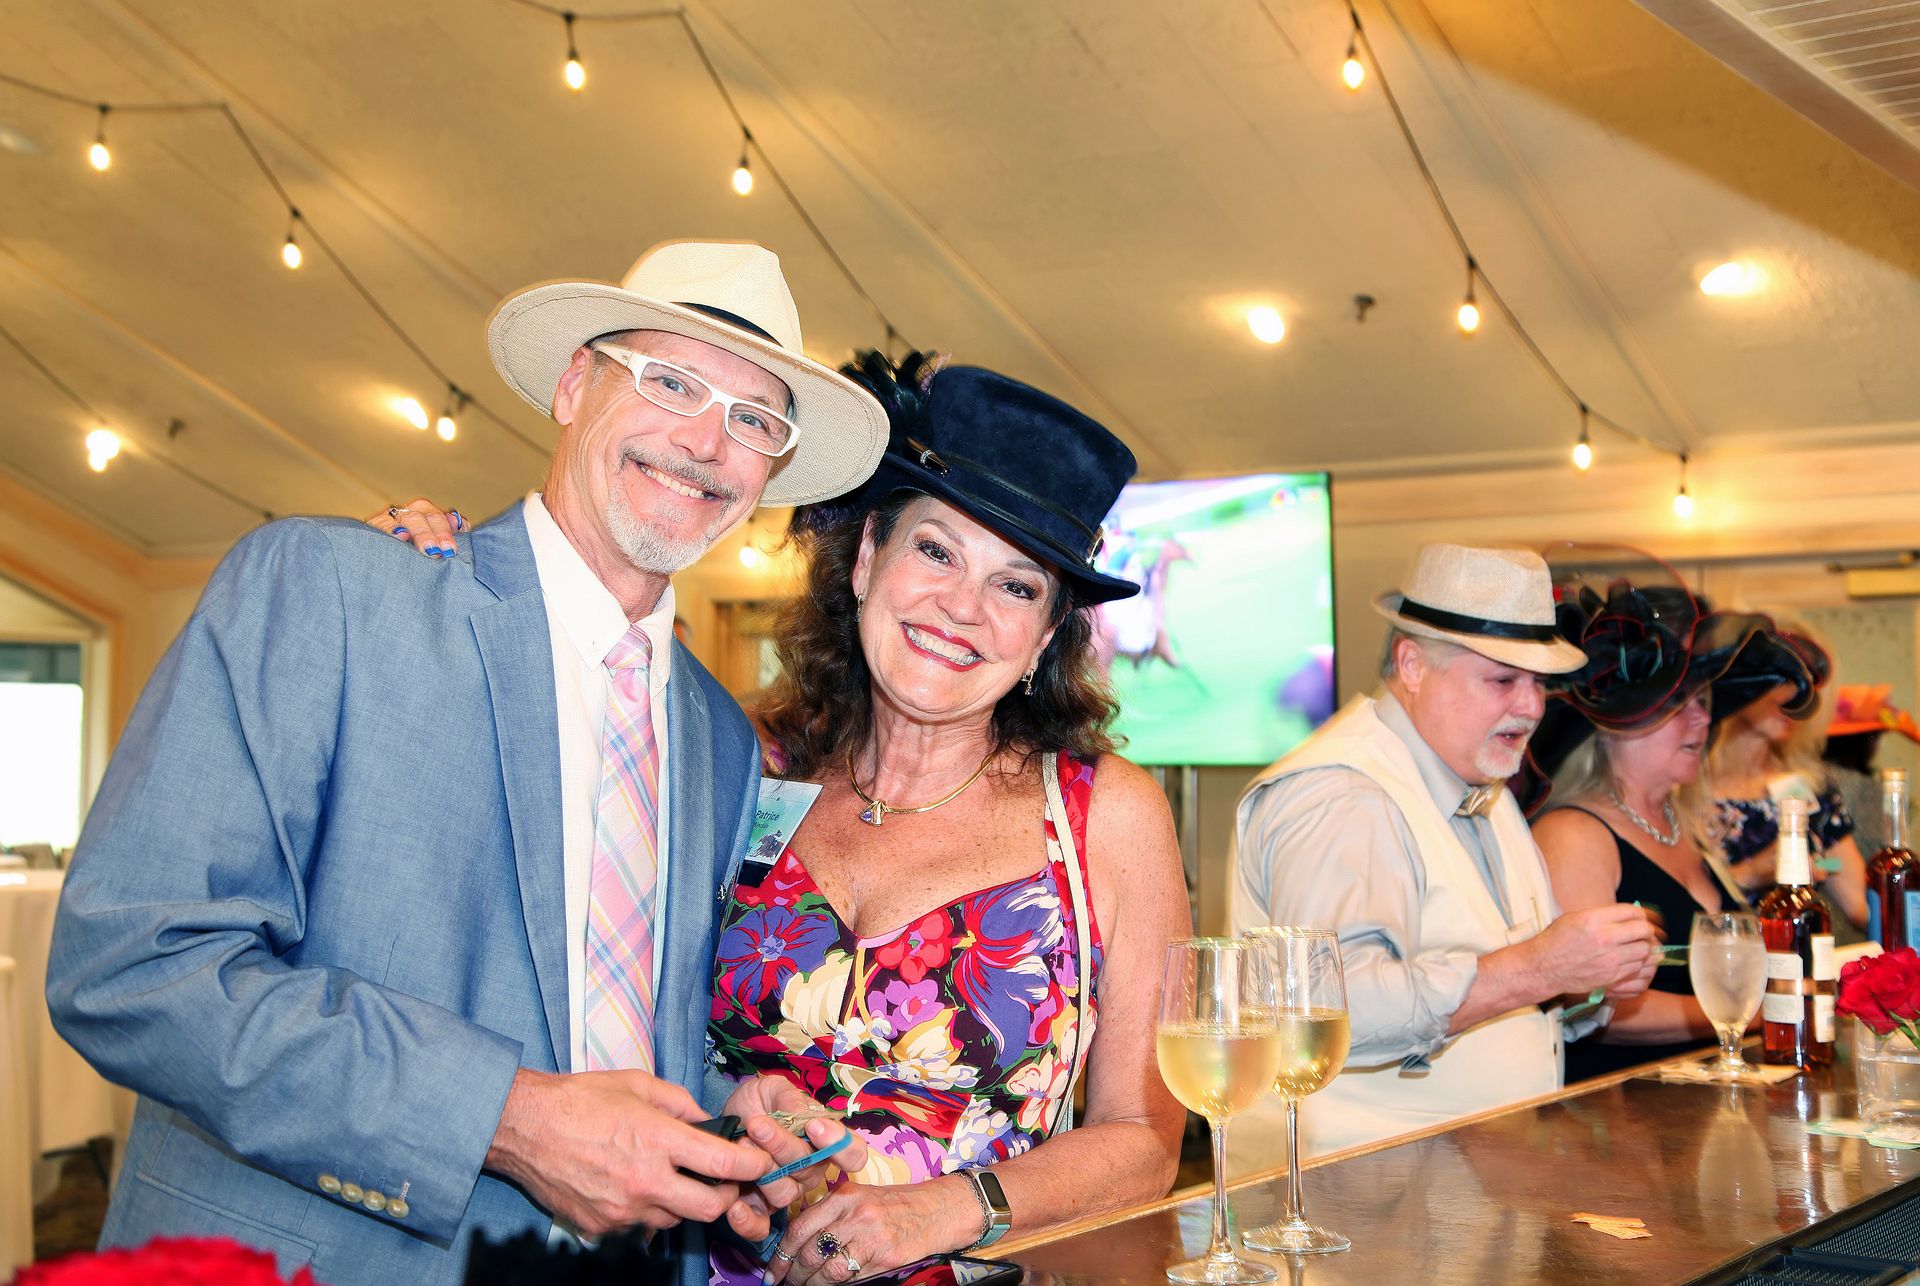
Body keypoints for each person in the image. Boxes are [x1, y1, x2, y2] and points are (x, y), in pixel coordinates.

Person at [45, 241, 884, 1286]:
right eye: (671, 381)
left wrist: (719, 1113)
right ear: (576, 383)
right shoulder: (338, 592)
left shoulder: (719, 735)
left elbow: (598, 1025)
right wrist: (507, 1117)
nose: (709, 439)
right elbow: (133, 965)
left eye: (757, 419)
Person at [375, 352, 1191, 1285]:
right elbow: (515, 816)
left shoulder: (1102, 815)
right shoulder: (733, 763)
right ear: (868, 560)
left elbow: (1143, 1140)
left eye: (1016, 586)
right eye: (935, 551)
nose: (962, 607)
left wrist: (942, 1211)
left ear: (1046, 635)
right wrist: (425, 592)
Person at [1229, 542, 1662, 1164]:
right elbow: (1325, 1012)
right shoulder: (1342, 792)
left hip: (1456, 1192)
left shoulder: (1478, 777)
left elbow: (1493, 983)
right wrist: (1543, 968)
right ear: (1411, 666)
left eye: (1539, 683)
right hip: (1349, 1198)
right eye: (1503, 679)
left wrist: (1583, 987)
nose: (1532, 707)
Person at [1527, 567, 1819, 1080]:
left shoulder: (1681, 825)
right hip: (1614, 1115)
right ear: (1614, 729)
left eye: (1703, 704)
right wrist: (1748, 1013)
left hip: (1698, 1095)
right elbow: (1588, 1006)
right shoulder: (1574, 834)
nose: (1702, 721)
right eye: (1678, 707)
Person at [1708, 625, 1865, 931]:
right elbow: (1676, 905)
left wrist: (1819, 865)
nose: (1795, 699)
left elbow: (1857, 898)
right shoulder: (1682, 788)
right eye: (1783, 681)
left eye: (1805, 687)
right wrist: (1753, 872)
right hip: (1717, 963)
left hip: (1799, 962)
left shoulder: (1809, 786)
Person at [1822, 685, 1920, 861]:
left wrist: (1823, 867)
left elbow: (1827, 864)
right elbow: (1875, 856)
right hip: (1859, 882)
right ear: (1868, 742)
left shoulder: (1803, 779)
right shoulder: (1867, 789)